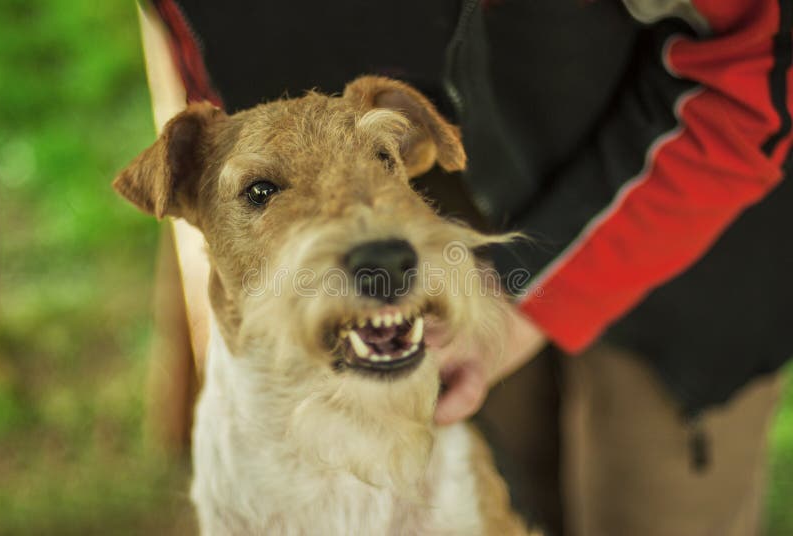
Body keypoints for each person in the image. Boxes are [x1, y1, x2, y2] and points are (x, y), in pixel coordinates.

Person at [136, 0, 793, 534]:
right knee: (512, 476)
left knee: (660, 504)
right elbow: (202, 56)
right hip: (435, 226)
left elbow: (759, 58)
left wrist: (530, 293)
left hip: (689, 209)